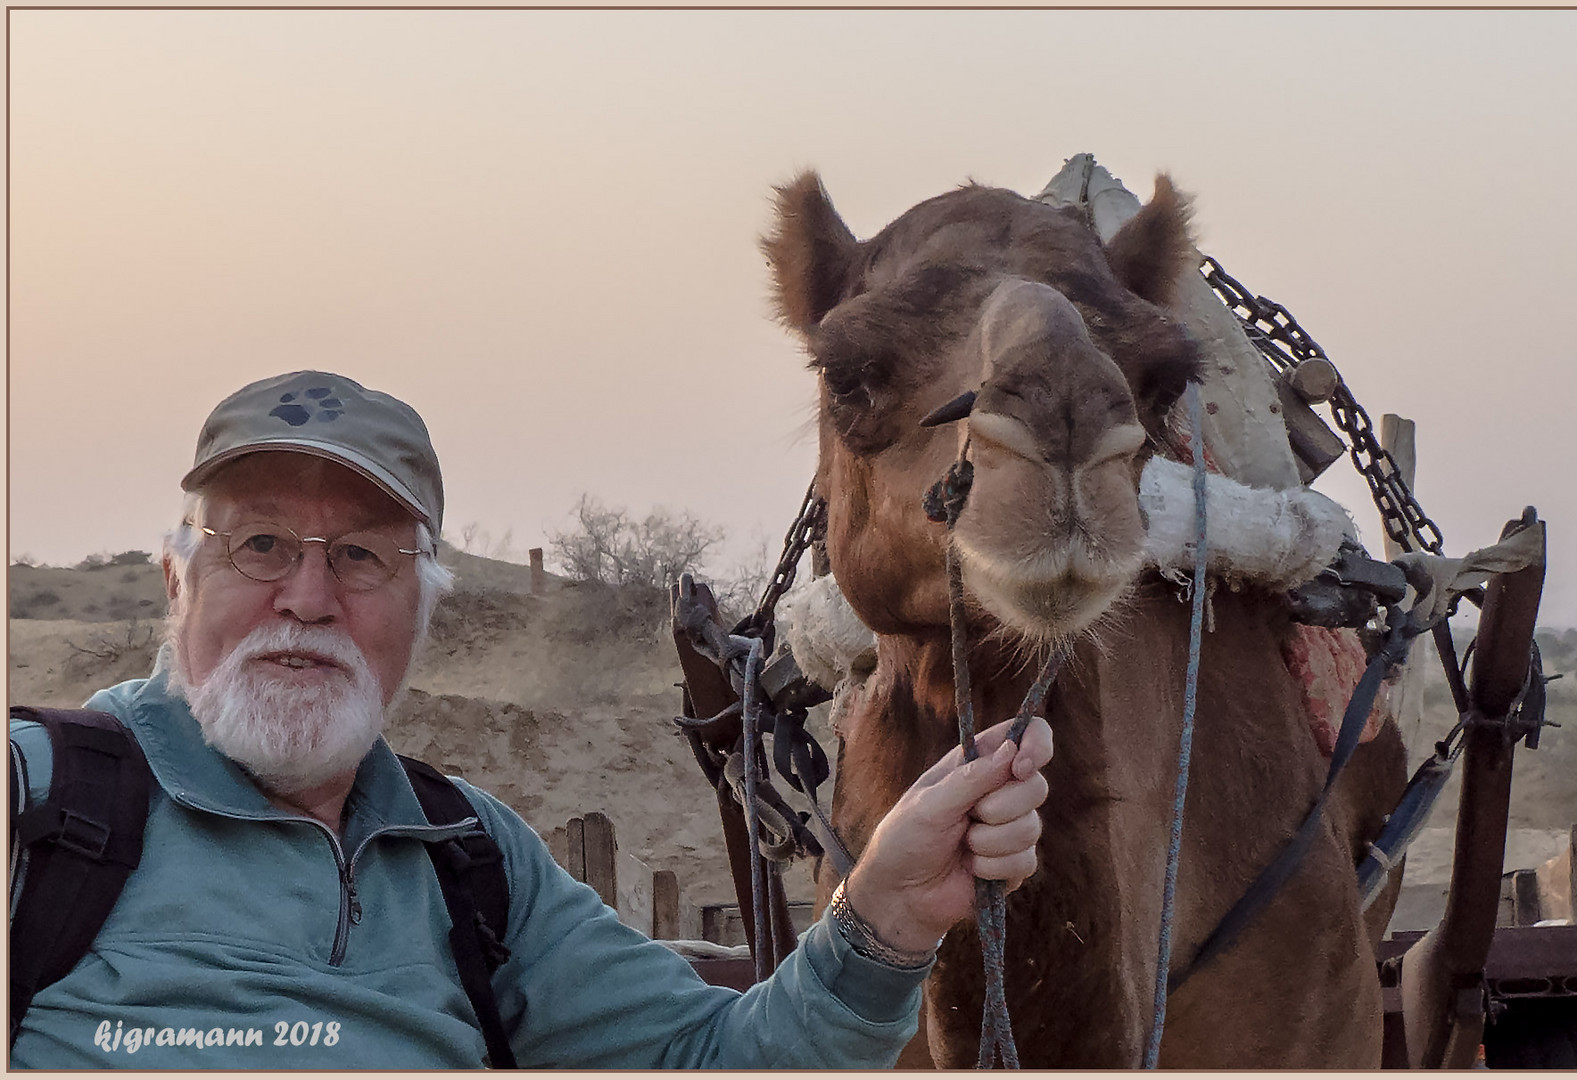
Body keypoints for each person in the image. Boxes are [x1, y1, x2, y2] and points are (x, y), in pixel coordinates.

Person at [8, 370, 1053, 1068]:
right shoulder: (39, 807)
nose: (308, 597)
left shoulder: (467, 859)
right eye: (261, 546)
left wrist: (886, 917)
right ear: (175, 577)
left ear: (422, 607)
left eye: (361, 556)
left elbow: (718, 1062)